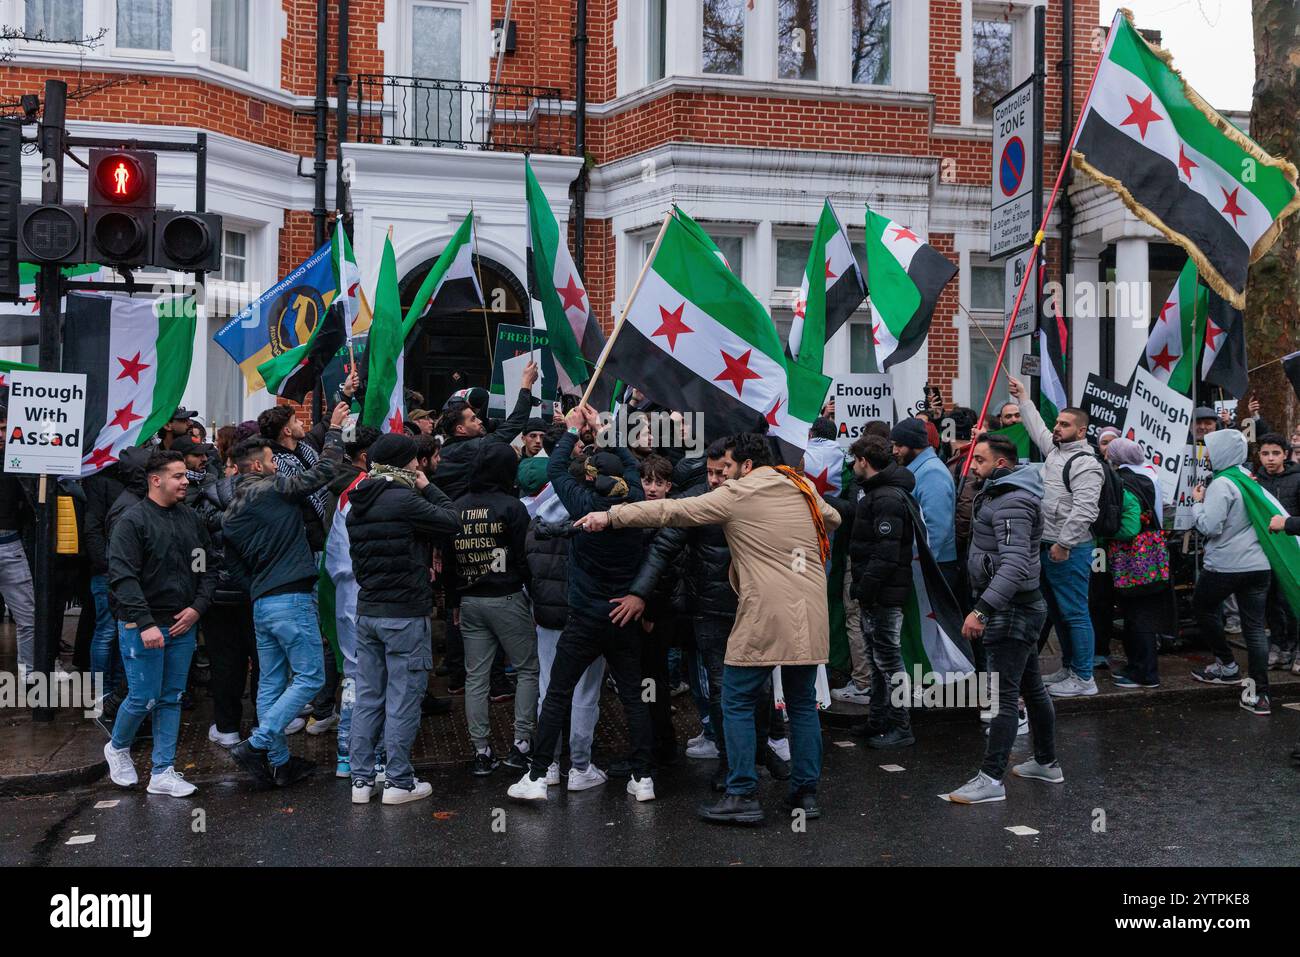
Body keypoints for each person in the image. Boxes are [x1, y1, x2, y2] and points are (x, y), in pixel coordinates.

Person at [572, 430, 841, 826]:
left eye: (728, 468)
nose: (722, 477)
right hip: (810, 611)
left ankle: (742, 793)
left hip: (764, 613)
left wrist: (611, 516)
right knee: (801, 704)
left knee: (733, 698)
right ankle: (805, 794)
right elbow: (833, 517)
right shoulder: (799, 484)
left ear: (747, 466)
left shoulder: (740, 493)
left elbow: (672, 512)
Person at [506, 402, 654, 803]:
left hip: (584, 618)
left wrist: (573, 430)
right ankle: (643, 778)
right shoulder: (636, 503)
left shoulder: (583, 505)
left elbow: (555, 471)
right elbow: (633, 470)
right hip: (622, 618)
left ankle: (538, 776)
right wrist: (606, 432)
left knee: (557, 693)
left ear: (590, 478)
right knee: (632, 696)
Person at [223, 402, 349, 788]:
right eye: (271, 460)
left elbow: (236, 567)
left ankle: (278, 764)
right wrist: (334, 432)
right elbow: (323, 474)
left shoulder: (230, 512)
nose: (277, 464)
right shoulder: (274, 488)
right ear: (258, 467)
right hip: (292, 597)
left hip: (262, 602)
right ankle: (258, 744)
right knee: (310, 679)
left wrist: (259, 589)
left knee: (271, 685)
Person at [345, 433, 460, 804]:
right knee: (403, 698)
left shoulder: (357, 502)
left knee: (368, 697)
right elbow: (451, 520)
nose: (419, 466)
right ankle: (398, 781)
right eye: (414, 461)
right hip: (405, 614)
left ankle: (361, 781)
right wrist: (429, 487)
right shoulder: (405, 498)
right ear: (403, 463)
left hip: (368, 612)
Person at [946, 433, 1058, 804]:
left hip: (1012, 611)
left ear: (1001, 465)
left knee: (1001, 697)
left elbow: (1014, 564)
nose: (971, 466)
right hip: (1017, 607)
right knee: (1032, 688)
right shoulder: (1000, 493)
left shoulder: (1012, 501)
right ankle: (1046, 762)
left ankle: (991, 779)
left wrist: (983, 609)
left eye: (978, 460)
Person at [103, 450, 216, 797]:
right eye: (178, 476)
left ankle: (163, 771)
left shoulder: (191, 519)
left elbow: (205, 566)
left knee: (172, 698)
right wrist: (146, 622)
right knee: (143, 698)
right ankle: (118, 747)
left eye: (185, 476)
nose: (186, 481)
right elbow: (123, 577)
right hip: (144, 626)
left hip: (182, 623)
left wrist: (197, 608)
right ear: (156, 480)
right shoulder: (132, 521)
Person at [435, 361, 539, 693]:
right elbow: (514, 426)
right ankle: (494, 681)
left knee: (458, 604)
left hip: (451, 534)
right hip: (481, 533)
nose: (479, 419)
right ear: (460, 430)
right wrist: (525, 385)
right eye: (472, 418)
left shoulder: (446, 453)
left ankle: (458, 677)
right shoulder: (475, 448)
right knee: (487, 598)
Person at [446, 441, 541, 776]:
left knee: (476, 677)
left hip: (470, 600)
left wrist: (453, 602)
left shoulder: (455, 507)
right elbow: (524, 557)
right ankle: (522, 744)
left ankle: (482, 751)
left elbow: (449, 563)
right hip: (508, 597)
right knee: (528, 668)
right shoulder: (512, 507)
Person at [1008, 376, 1102, 697]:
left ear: (1081, 431)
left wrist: (1064, 544)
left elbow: (1086, 511)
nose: (1057, 428)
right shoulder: (1056, 452)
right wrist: (1022, 397)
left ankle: (1085, 678)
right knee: (1060, 610)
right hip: (1050, 546)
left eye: (1064, 424)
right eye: (1057, 423)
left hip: (1069, 549)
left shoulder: (1085, 464)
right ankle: (1070, 668)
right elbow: (1037, 429)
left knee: (1074, 611)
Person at [521, 455, 607, 791]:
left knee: (549, 690)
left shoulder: (536, 520)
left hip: (547, 617)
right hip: (585, 614)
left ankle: (550, 764)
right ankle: (581, 766)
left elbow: (528, 572)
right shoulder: (594, 517)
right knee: (585, 691)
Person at [1189, 429, 1273, 714]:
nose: (1207, 455)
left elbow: (1210, 526)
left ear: (1222, 451)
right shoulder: (1249, 480)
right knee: (1255, 629)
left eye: (1210, 449)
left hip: (1226, 564)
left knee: (1202, 606)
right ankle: (1260, 695)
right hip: (1259, 564)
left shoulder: (1223, 483)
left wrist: (1197, 502)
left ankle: (1227, 665)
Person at [847, 434, 916, 749]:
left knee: (889, 660)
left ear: (864, 461)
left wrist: (864, 588)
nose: (852, 467)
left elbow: (886, 554)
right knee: (877, 661)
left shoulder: (886, 497)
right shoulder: (875, 493)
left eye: (855, 461)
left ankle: (902, 726)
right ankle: (877, 720)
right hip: (876, 593)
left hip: (884, 595)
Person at [1101, 438, 1171, 689]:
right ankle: (1139, 667)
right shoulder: (1149, 474)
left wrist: (1107, 533)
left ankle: (1145, 673)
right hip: (1154, 552)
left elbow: (1129, 527)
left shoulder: (1123, 481)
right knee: (1142, 612)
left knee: (1136, 614)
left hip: (1133, 557)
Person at [891, 418, 957, 588]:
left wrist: (921, 565)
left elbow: (936, 527)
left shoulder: (932, 473)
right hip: (926, 562)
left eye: (899, 445)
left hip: (935, 566)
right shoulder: (921, 469)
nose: (894, 450)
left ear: (915, 445)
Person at [1253, 433, 1300, 670]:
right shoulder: (1255, 482)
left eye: (1275, 453)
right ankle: (1279, 645)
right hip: (1267, 551)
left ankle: (1296, 648)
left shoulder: (1298, 479)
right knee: (1271, 601)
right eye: (1265, 454)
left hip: (1294, 550)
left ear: (1285, 454)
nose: (1270, 459)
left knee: (1293, 600)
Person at [0, 404, 36, 685]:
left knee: (28, 615)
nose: (3, 435)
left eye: (5, 429)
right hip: (10, 544)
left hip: (10, 543)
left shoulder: (16, 461)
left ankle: (29, 672)